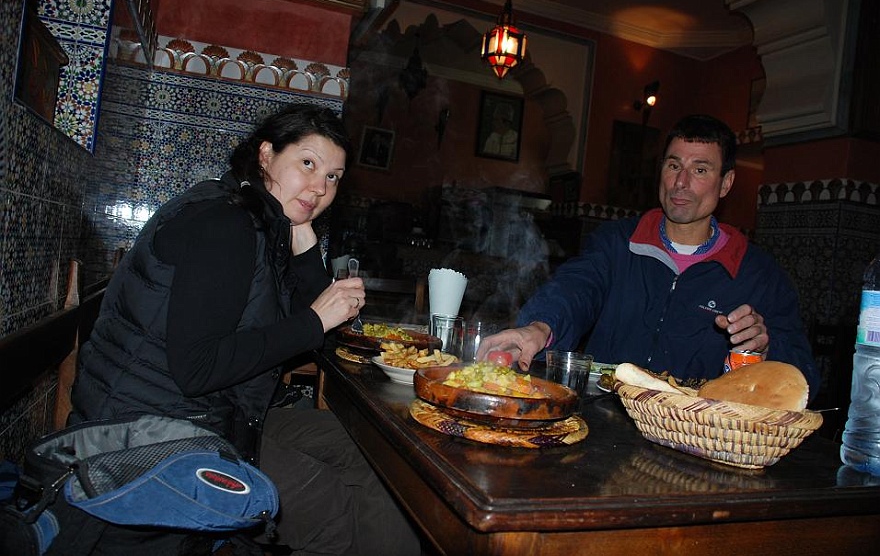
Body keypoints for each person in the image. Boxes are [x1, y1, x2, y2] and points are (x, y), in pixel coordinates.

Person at [69, 104, 421, 555]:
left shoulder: (259, 221)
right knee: (329, 511)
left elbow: (310, 337)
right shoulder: (225, 225)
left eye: (333, 176)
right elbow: (199, 368)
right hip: (147, 433)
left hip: (217, 411)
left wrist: (307, 246)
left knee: (377, 455)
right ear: (266, 154)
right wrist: (316, 319)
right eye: (308, 164)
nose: (319, 187)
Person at [476, 114, 821, 399]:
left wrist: (765, 350)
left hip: (696, 441)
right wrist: (539, 327)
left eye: (700, 170)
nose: (681, 182)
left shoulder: (757, 273)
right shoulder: (617, 241)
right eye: (674, 165)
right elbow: (577, 286)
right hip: (601, 422)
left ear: (726, 182)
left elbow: (803, 379)